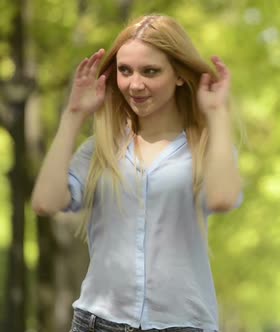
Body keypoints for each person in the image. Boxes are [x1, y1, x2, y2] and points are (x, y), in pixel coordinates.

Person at [31, 14, 243, 332]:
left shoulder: (206, 148)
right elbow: (46, 203)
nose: (135, 84)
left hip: (182, 324)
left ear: (179, 75)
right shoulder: (100, 148)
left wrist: (217, 115)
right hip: (96, 322)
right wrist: (73, 115)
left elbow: (224, 198)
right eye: (125, 70)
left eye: (150, 71)